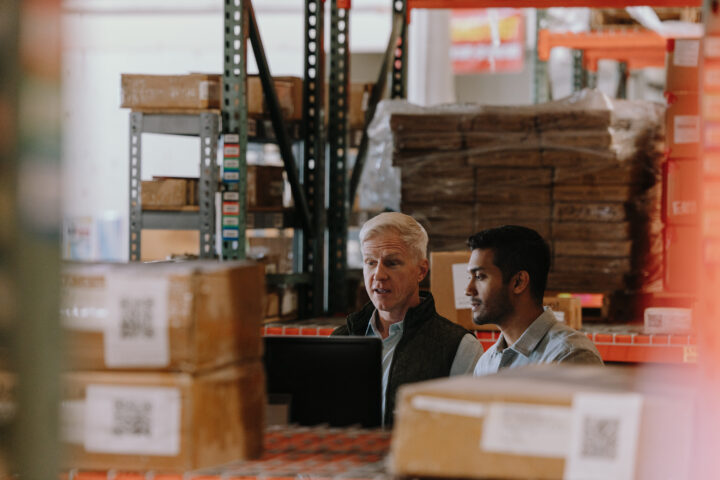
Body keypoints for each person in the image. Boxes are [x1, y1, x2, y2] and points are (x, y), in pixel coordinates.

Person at [333, 212, 483, 426]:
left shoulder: (460, 348)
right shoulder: (340, 340)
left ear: (421, 271)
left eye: (392, 263)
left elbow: (461, 435)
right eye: (370, 262)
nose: (378, 275)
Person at [466, 225, 602, 376]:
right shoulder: (486, 363)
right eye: (469, 277)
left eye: (479, 276)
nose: (468, 290)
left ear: (518, 282)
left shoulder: (570, 357)